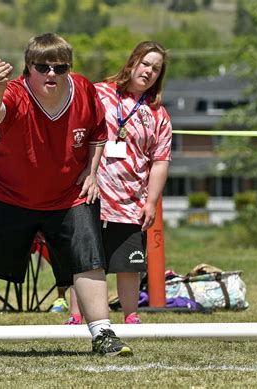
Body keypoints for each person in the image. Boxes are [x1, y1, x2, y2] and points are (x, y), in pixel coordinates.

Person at [0, 32, 132, 359]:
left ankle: (103, 334)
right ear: (28, 67)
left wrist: (92, 171)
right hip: (7, 192)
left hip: (67, 194)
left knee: (89, 259)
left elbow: (99, 133)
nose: (51, 74)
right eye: (43, 67)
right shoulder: (14, 91)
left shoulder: (84, 90)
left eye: (60, 67)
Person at [94, 41, 172, 324]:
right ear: (132, 63)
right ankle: (79, 317)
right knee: (88, 262)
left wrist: (151, 202)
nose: (149, 71)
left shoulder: (157, 113)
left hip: (132, 201)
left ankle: (130, 317)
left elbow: (161, 160)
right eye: (146, 64)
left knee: (129, 264)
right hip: (92, 195)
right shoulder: (100, 93)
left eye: (156, 68)